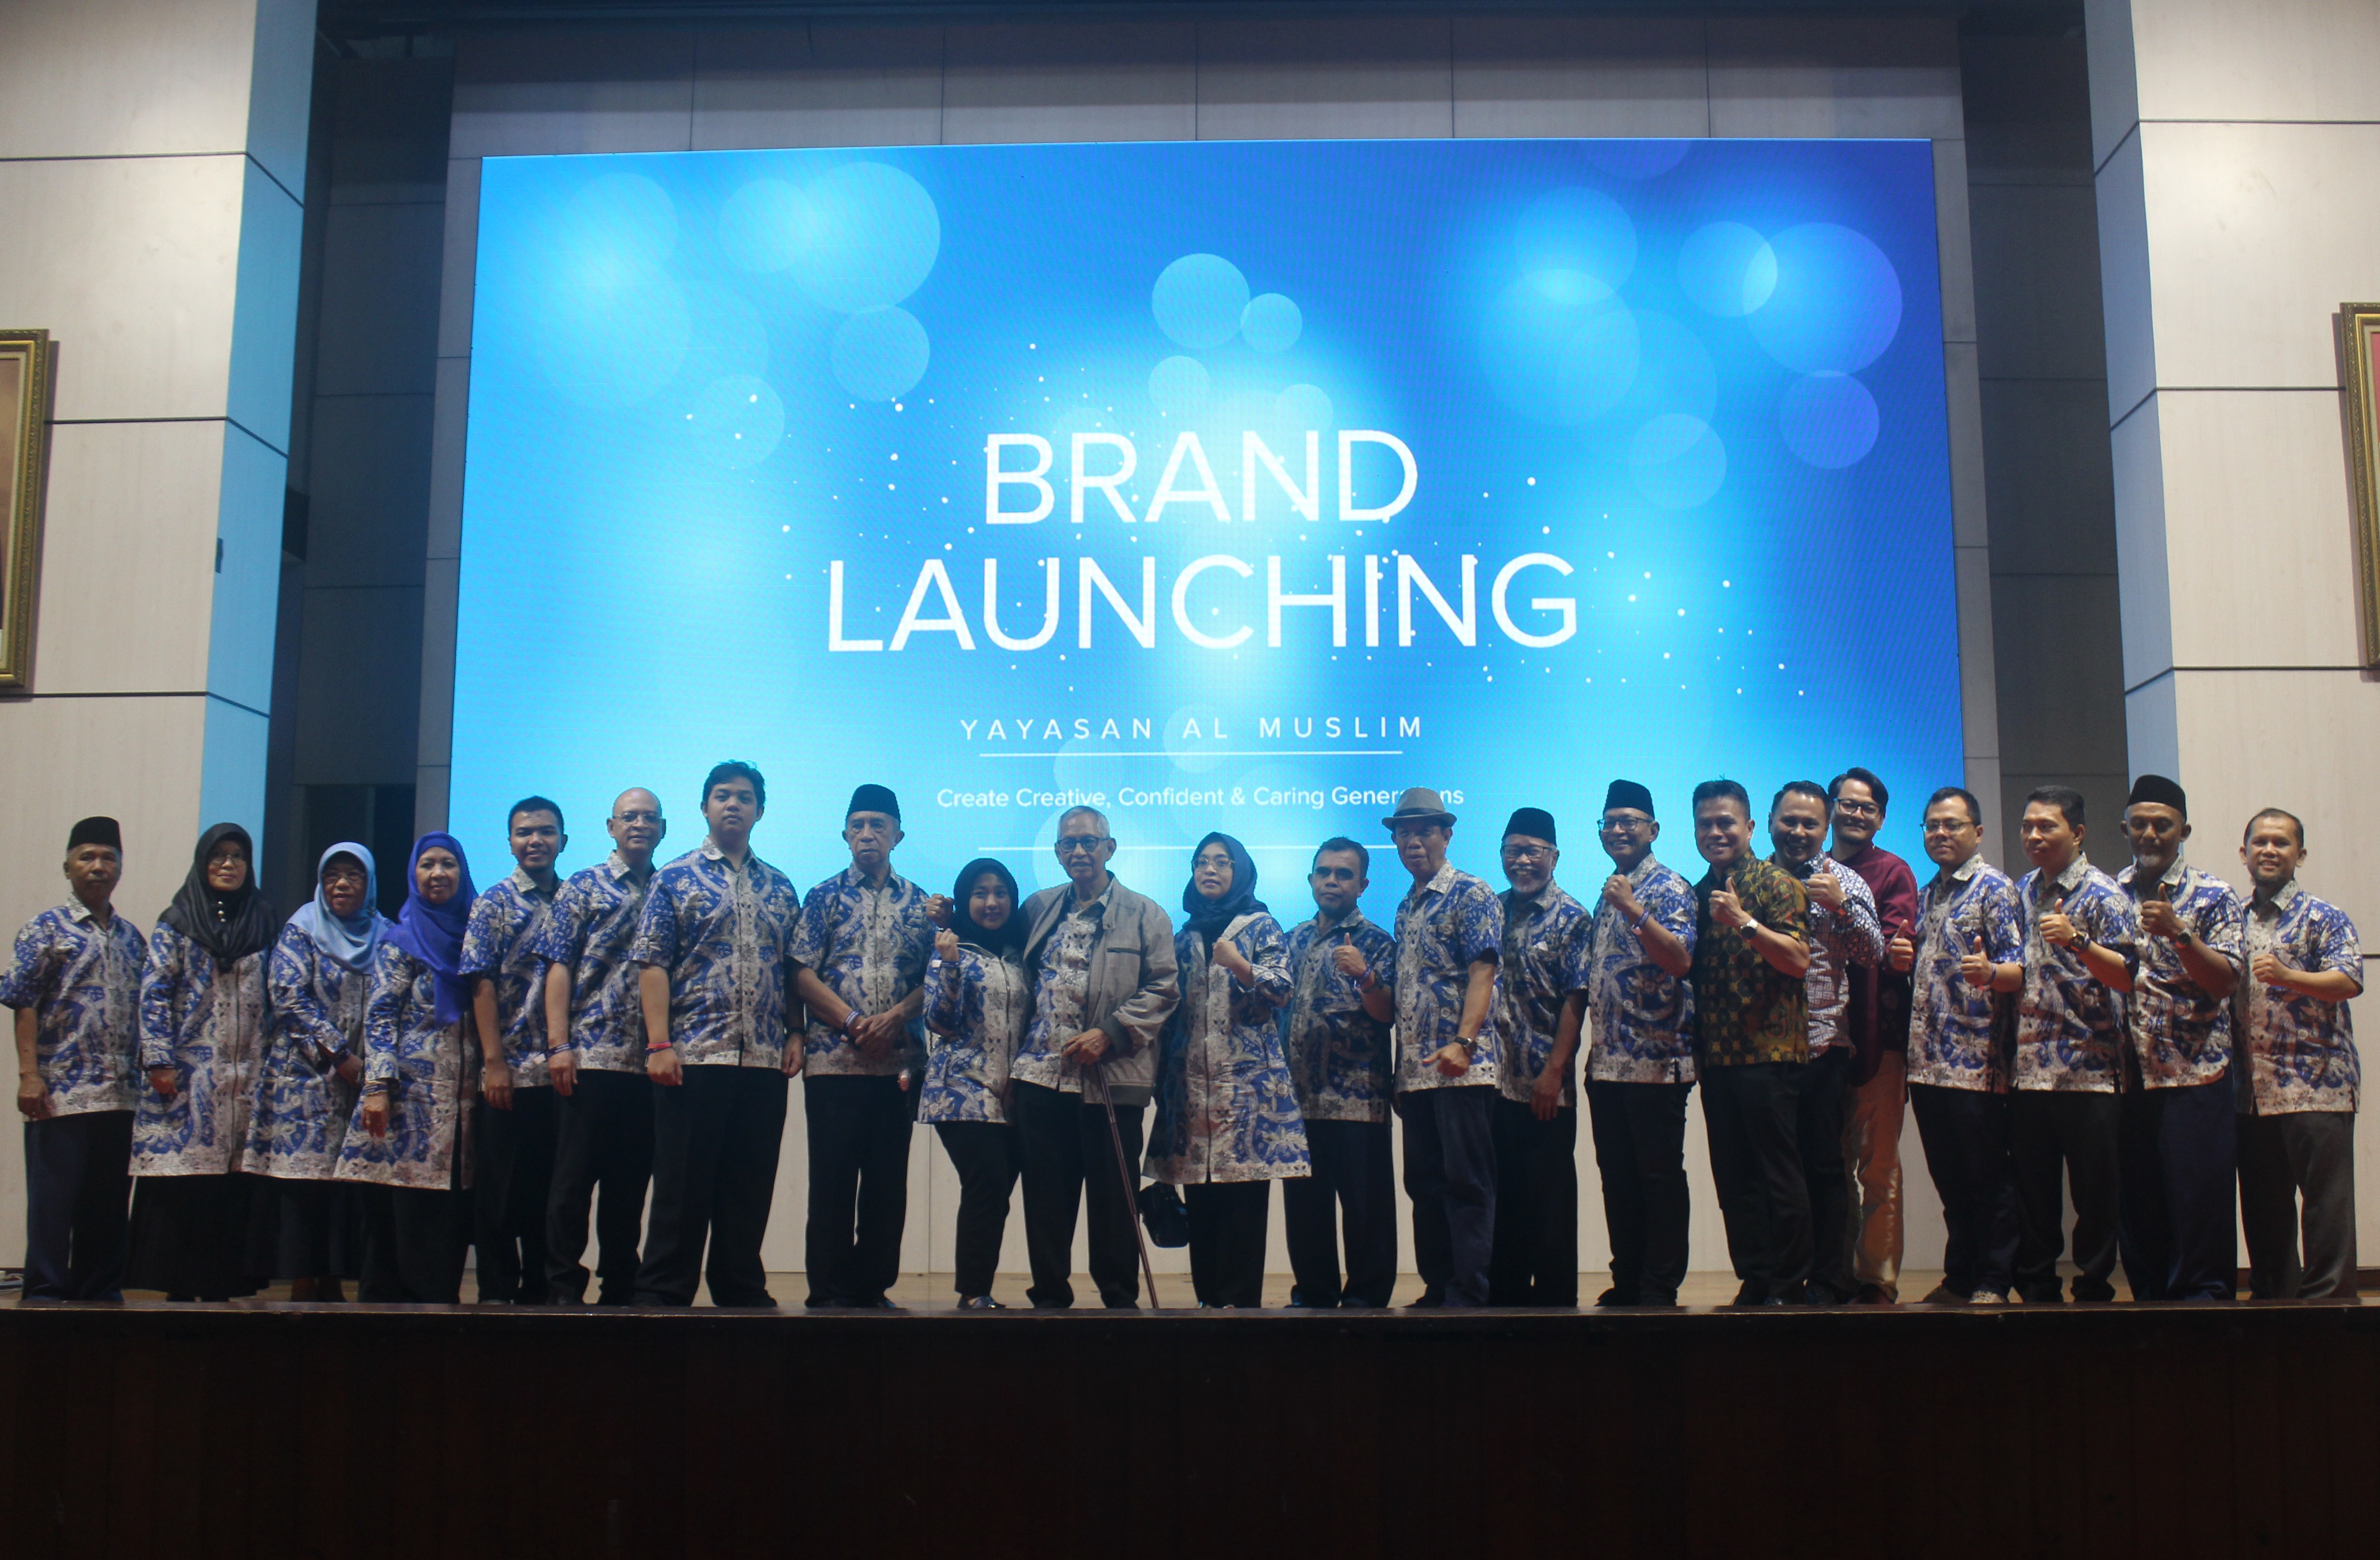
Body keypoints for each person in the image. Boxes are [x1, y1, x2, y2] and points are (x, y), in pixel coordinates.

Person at [631, 762, 804, 1308]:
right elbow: (652, 964)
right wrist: (659, 1043)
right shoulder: (674, 877)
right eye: (723, 796)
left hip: (763, 1061)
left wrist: (795, 1031)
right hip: (693, 1057)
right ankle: (663, 1291)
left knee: (749, 1184)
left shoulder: (780, 886)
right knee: (681, 1186)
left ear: (760, 810)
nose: (734, 804)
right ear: (704, 807)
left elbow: (791, 970)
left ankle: (739, 1289)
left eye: (745, 797)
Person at [1011, 806, 1180, 1309]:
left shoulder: (1146, 913)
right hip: (1041, 1078)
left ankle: (1118, 1301)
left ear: (1110, 847)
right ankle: (1049, 1297)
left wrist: (1110, 1033)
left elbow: (1164, 988)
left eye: (1089, 841)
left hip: (1111, 1078)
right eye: (1069, 843)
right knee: (1046, 1199)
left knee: (1113, 1200)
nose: (1079, 851)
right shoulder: (1037, 907)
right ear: (1057, 852)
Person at [789, 785, 940, 1310]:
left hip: (897, 1065)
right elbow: (800, 972)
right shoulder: (822, 896)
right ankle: (829, 1291)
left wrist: (894, 1018)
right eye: (858, 825)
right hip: (833, 1063)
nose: (867, 834)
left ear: (898, 835)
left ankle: (872, 1288)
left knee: (886, 1185)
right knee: (831, 1182)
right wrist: (853, 1021)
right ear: (845, 834)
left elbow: (933, 977)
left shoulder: (920, 903)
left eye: (878, 825)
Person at [1145, 832, 1307, 1307]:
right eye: (1201, 862)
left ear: (1240, 871)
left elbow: (1282, 989)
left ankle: (1241, 1312)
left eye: (1221, 862)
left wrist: (1241, 966)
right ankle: (1207, 1305)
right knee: (1202, 1207)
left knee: (1243, 1210)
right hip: (1191, 1098)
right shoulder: (1183, 937)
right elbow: (1169, 1015)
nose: (1209, 870)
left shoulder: (1261, 926)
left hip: (1248, 1098)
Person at [128, 823, 276, 1301]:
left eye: (238, 856)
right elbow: (154, 994)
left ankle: (220, 1288)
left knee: (231, 1188)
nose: (229, 864)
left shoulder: (263, 921)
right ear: (202, 862)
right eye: (219, 855)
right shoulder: (177, 922)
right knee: (186, 1185)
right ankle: (179, 1291)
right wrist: (158, 1060)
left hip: (246, 1078)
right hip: (187, 1076)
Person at [2115, 774, 2245, 1303]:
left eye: (2162, 825)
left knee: (2199, 1197)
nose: (2149, 834)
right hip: (2127, 1071)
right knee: (2138, 1200)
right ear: (2123, 828)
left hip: (2195, 1070)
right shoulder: (2109, 892)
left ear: (2183, 830)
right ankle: (2149, 1306)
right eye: (2139, 824)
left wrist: (2179, 932)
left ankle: (2204, 1307)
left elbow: (2225, 981)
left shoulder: (2213, 894)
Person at [3, 817, 144, 1302]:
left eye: (108, 858)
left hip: (120, 1096)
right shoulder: (44, 929)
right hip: (60, 1094)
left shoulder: (131, 938)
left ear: (120, 868)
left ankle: (98, 1298)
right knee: (52, 1207)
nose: (98, 866)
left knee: (107, 1208)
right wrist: (29, 1075)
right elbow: (23, 1002)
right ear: (68, 867)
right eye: (87, 857)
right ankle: (42, 1298)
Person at [1893, 787, 2023, 1305]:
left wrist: (1990, 972)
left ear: (1978, 832)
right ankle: (1960, 1276)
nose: (1940, 833)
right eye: (1932, 825)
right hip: (1926, 1064)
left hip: (1976, 1063)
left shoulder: (1995, 889)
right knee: (1949, 1180)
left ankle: (1994, 1277)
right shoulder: (1928, 894)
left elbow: (2017, 969)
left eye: (1952, 824)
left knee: (1987, 1177)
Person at [336, 833, 479, 1304]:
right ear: (413, 875)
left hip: (461, 1105)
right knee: (397, 1219)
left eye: (448, 864)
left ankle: (437, 1318)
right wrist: (378, 1085)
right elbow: (380, 1016)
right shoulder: (401, 940)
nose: (438, 874)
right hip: (407, 1101)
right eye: (427, 864)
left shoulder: (477, 933)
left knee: (446, 1220)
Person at [2008, 787, 2138, 1304]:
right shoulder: (2020, 890)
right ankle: (2037, 1285)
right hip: (2028, 1069)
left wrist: (2078, 941)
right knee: (2032, 1191)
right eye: (2027, 826)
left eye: (2047, 826)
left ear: (2077, 833)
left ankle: (2093, 1286)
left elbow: (2128, 976)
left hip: (2090, 1070)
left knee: (2095, 1193)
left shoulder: (2105, 894)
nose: (2034, 836)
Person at [1688, 780, 1814, 1306]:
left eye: (1726, 823)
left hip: (1770, 1056)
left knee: (1778, 1175)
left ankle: (1789, 1283)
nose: (1715, 833)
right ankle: (1756, 1277)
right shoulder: (1696, 892)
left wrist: (1743, 922)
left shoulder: (1776, 883)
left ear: (1749, 827)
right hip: (1717, 1059)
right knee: (1734, 1179)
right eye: (1705, 824)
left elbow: (1798, 960)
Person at [245, 843, 390, 1300]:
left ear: (369, 883)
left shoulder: (386, 933)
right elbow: (288, 997)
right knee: (305, 1185)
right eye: (333, 875)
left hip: (363, 1080)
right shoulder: (302, 929)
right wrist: (340, 1055)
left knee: (346, 1187)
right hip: (306, 1077)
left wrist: (370, 1066)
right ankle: (304, 1280)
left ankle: (333, 1279)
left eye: (353, 876)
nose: (342, 884)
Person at [539, 788, 666, 1305]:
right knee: (572, 1183)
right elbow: (559, 966)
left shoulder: (671, 886)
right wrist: (558, 1045)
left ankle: (619, 1283)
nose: (639, 824)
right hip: (588, 1059)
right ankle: (562, 1286)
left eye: (649, 818)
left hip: (648, 1064)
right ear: (611, 827)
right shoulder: (583, 886)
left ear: (662, 828)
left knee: (629, 1184)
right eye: (629, 817)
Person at [2233, 808, 2361, 1300]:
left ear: (2299, 855)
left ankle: (2329, 1308)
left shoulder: (2323, 916)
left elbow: (2348, 979)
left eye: (2281, 842)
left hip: (2317, 1085)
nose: (2269, 850)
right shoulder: (2231, 918)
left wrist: (2290, 977)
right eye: (2259, 842)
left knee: (2325, 1208)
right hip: (2251, 1092)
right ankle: (2275, 1305)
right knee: (2263, 1209)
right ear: (2243, 853)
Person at [1382, 787, 1502, 1308]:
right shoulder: (1406, 906)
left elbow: (1483, 970)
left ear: (1447, 835)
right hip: (1416, 1074)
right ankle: (1437, 1286)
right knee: (1424, 1185)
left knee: (1466, 1185)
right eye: (1404, 833)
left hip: (1461, 1069)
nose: (1413, 841)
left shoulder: (1471, 893)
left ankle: (1469, 1293)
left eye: (1424, 831)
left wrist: (1464, 1041)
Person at [1583, 780, 1698, 1308]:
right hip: (1607, 1065)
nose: (1618, 830)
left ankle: (1658, 1284)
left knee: (1658, 1177)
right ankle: (1627, 1278)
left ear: (1653, 829)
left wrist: (1634, 911)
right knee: (1618, 1180)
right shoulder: (1611, 890)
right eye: (1609, 822)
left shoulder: (1668, 887)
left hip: (1656, 1063)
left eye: (1628, 821)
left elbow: (1680, 960)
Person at [1769, 781, 1883, 1304]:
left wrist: (1841, 907)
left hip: (1823, 1046)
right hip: (1763, 1050)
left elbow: (1872, 953)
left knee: (1823, 1166)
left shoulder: (1845, 879)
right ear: (1771, 821)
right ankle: (1781, 1278)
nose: (1798, 831)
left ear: (1825, 827)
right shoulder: (1756, 878)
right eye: (1788, 821)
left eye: (1809, 823)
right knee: (1776, 1172)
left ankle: (1829, 1279)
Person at [1278, 838, 1399, 1308]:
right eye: (1324, 872)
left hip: (1358, 1100)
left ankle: (1367, 1299)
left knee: (1366, 1211)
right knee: (1305, 1211)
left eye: (1344, 874)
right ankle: (1314, 1294)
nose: (1332, 881)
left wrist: (1365, 975)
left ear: (1362, 885)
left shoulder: (1376, 942)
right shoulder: (1291, 940)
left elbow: (1387, 1014)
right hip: (1298, 1101)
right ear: (1311, 879)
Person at [460, 796, 567, 1304]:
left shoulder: (573, 898)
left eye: (545, 831)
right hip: (511, 1071)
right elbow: (479, 982)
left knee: (550, 1189)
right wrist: (494, 1063)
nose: (535, 840)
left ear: (563, 840)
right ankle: (497, 1291)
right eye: (524, 832)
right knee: (500, 1189)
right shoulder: (494, 902)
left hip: (561, 1072)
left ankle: (542, 1289)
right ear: (509, 842)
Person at [1487, 807, 1589, 1307]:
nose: (1521, 861)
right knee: (1503, 1196)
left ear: (1554, 856)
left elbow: (1576, 998)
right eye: (1512, 851)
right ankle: (1504, 1298)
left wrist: (1554, 1071)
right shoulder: (1491, 909)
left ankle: (1554, 1304)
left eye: (1532, 851)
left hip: (1545, 1084)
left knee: (1548, 1200)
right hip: (1492, 1082)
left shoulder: (1572, 917)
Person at [1828, 767, 1920, 1303]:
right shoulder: (1809, 869)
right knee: (1829, 1166)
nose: (1857, 814)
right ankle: (1832, 1273)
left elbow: (1891, 947)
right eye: (1848, 804)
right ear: (1832, 807)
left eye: (1868, 808)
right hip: (1820, 1044)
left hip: (1878, 1040)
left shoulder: (1892, 871)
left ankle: (1876, 1280)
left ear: (1881, 819)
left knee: (1878, 1167)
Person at [921, 858, 1030, 1308]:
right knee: (986, 1183)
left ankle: (977, 1289)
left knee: (996, 1192)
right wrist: (949, 965)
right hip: (960, 1090)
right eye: (980, 893)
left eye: (1000, 892)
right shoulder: (951, 950)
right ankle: (972, 1292)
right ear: (964, 899)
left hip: (1011, 1095)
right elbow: (939, 1021)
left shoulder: (1018, 954)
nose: (991, 902)